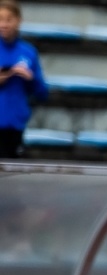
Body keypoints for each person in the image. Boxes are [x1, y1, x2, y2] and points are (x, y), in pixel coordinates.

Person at [0, 0, 47, 160]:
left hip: (15, 125)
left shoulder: (28, 52)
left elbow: (42, 92)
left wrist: (29, 77)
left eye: (8, 19)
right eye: (0, 19)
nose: (4, 24)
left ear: (18, 20)